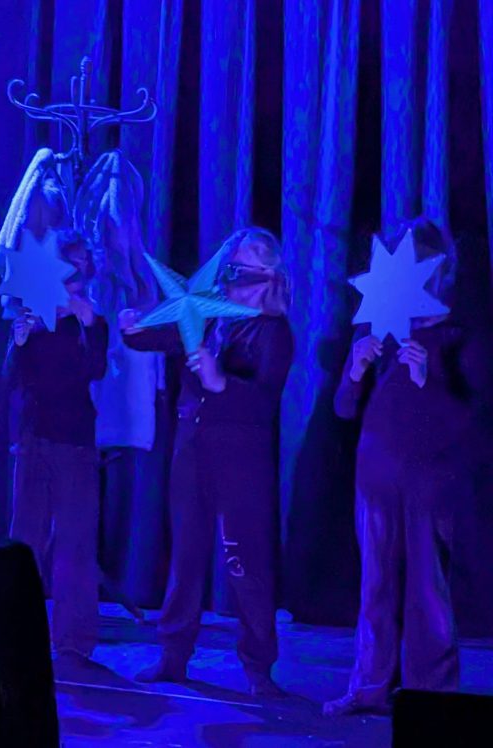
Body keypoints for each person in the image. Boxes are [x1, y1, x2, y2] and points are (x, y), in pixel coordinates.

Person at [120, 227, 293, 696]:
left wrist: (221, 383)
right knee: (187, 553)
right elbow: (160, 334)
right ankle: (173, 655)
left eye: (246, 272)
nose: (235, 281)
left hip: (240, 458)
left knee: (245, 559)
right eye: (231, 271)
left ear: (269, 277)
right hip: (192, 447)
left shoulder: (272, 332)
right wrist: (133, 327)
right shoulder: (210, 316)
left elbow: (264, 401)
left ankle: (258, 666)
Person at [324, 218, 486, 716]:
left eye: (422, 262)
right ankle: (370, 686)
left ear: (439, 270)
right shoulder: (381, 325)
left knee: (426, 588)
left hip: (430, 479)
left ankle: (430, 695)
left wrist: (426, 379)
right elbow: (344, 408)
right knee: (376, 583)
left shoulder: (458, 334)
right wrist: (355, 371)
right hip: (376, 471)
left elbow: (471, 419)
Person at [5, 231, 109, 672]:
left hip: (74, 442)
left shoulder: (90, 319)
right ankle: (13, 628)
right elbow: (13, 378)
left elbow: (95, 369)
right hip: (34, 440)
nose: (76, 270)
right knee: (24, 539)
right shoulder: (35, 314)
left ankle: (73, 640)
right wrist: (19, 341)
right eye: (69, 262)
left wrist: (90, 325)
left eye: (83, 263)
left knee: (75, 542)